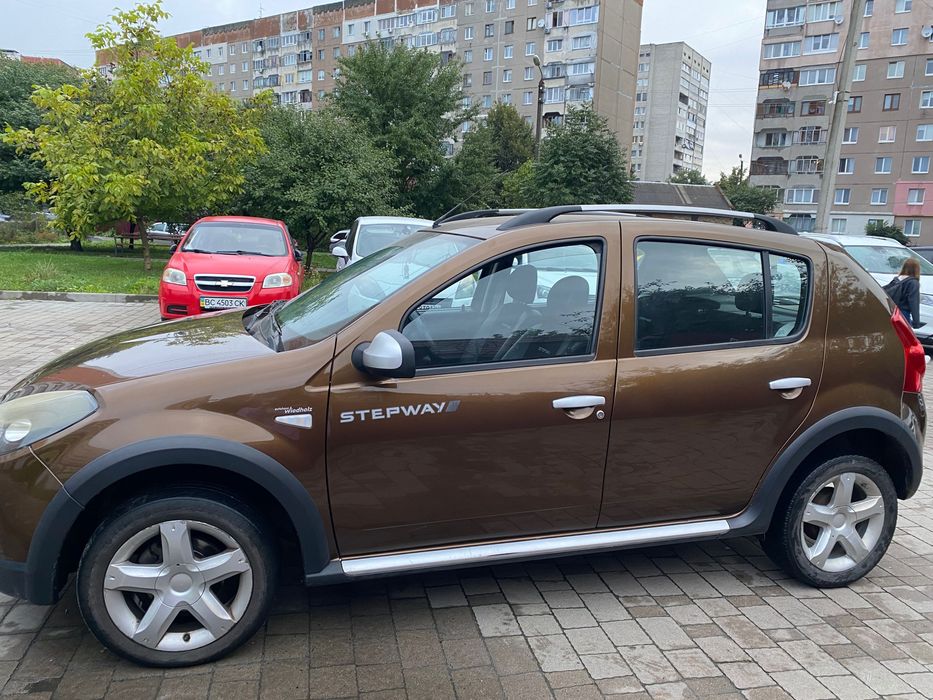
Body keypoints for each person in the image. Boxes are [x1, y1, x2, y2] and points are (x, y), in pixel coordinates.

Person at [885, 258, 922, 328]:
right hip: (904, 314)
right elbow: (914, 303)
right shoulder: (913, 283)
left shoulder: (896, 280)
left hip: (893, 312)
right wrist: (916, 323)